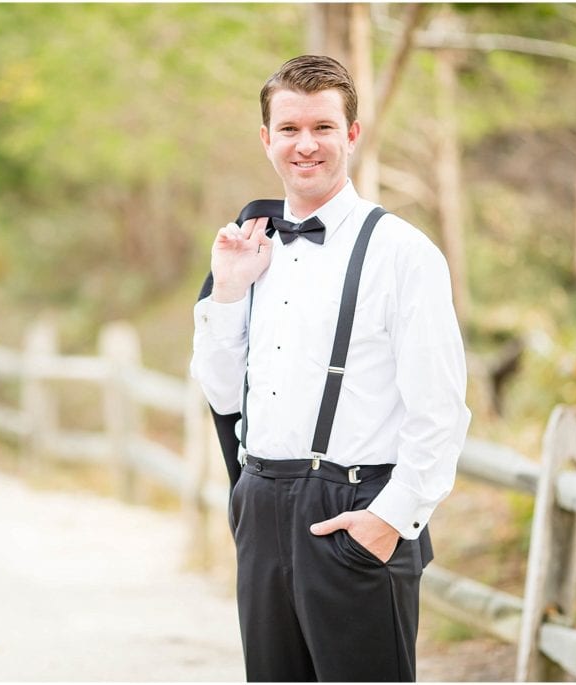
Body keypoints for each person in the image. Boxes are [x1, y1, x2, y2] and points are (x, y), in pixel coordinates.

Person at [190, 55, 471, 682]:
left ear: (352, 134)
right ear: (266, 139)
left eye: (322, 126)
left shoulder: (403, 254)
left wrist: (389, 519)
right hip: (262, 507)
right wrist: (230, 291)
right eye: (289, 129)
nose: (305, 144)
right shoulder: (248, 244)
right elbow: (217, 387)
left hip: (355, 508)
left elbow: (441, 410)